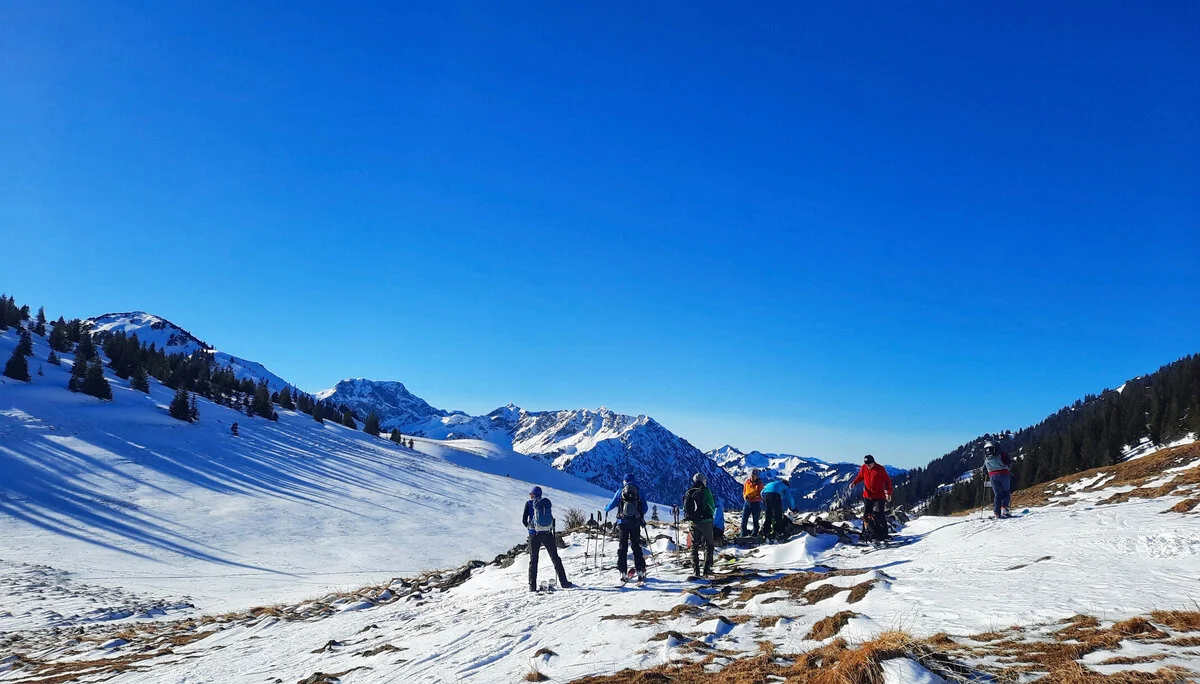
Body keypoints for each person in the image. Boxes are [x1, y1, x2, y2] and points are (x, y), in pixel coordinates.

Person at [522, 486, 574, 592]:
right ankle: (564, 582)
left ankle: (532, 586)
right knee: (555, 557)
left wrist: (530, 529)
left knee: (533, 560)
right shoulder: (546, 503)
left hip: (534, 535)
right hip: (547, 533)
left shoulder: (528, 504)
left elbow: (524, 520)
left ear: (533, 494)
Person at [605, 473, 649, 582]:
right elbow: (645, 508)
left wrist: (606, 508)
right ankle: (640, 570)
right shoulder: (639, 491)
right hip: (635, 522)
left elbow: (611, 505)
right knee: (636, 546)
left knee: (622, 547)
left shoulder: (620, 491)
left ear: (624, 481)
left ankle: (623, 572)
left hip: (622, 523)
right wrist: (638, 515)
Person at [850, 455, 894, 542]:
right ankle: (865, 534)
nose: (868, 466)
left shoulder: (880, 469)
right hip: (867, 495)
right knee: (866, 515)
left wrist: (888, 493)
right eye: (866, 464)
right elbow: (860, 477)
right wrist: (854, 483)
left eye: (869, 464)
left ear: (873, 462)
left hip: (879, 496)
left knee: (879, 514)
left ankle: (883, 534)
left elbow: (887, 481)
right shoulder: (863, 468)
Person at [683, 473, 716, 577]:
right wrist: (710, 515)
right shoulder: (706, 491)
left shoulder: (689, 491)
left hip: (693, 523)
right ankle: (707, 568)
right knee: (709, 545)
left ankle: (695, 569)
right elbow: (711, 506)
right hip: (705, 522)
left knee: (694, 545)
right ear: (703, 480)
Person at [983, 441, 1014, 518]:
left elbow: (984, 469)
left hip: (992, 476)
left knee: (997, 495)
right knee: (1006, 492)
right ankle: (1005, 509)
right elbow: (1009, 463)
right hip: (1004, 474)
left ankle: (997, 513)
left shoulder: (987, 457)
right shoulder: (1002, 454)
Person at [741, 469, 764, 537]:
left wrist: (753, 498)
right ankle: (743, 534)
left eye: (754, 476)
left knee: (755, 521)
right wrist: (745, 496)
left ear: (757, 476)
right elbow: (744, 491)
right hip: (747, 503)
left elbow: (761, 495)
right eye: (751, 475)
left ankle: (754, 535)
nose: (752, 477)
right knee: (744, 519)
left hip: (756, 504)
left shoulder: (759, 484)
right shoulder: (747, 482)